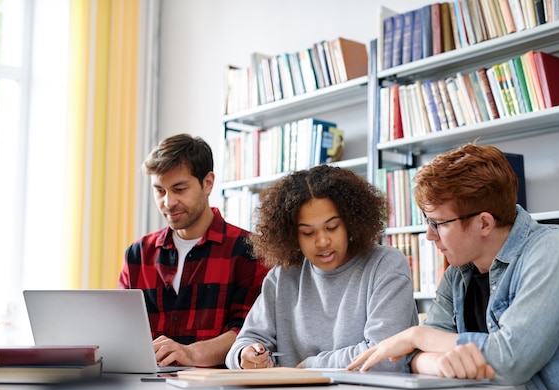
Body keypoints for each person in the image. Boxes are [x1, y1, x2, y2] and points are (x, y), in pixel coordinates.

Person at [347, 143, 559, 390]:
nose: (429, 235)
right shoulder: (458, 273)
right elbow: (411, 359)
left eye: (438, 223)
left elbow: (510, 362)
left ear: (484, 223)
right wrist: (438, 361)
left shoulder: (554, 248)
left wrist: (418, 335)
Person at [224, 165, 418, 370]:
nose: (323, 241)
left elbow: (385, 358)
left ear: (351, 222)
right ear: (292, 235)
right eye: (308, 233)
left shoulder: (385, 265)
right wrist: (245, 356)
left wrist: (310, 366)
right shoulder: (282, 277)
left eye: (332, 227)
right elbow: (245, 342)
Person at [119, 134, 269, 368]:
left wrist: (189, 354)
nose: (168, 202)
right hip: (147, 387)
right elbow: (123, 329)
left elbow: (248, 333)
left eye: (179, 189)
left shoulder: (249, 250)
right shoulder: (138, 254)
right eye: (160, 191)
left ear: (208, 183)